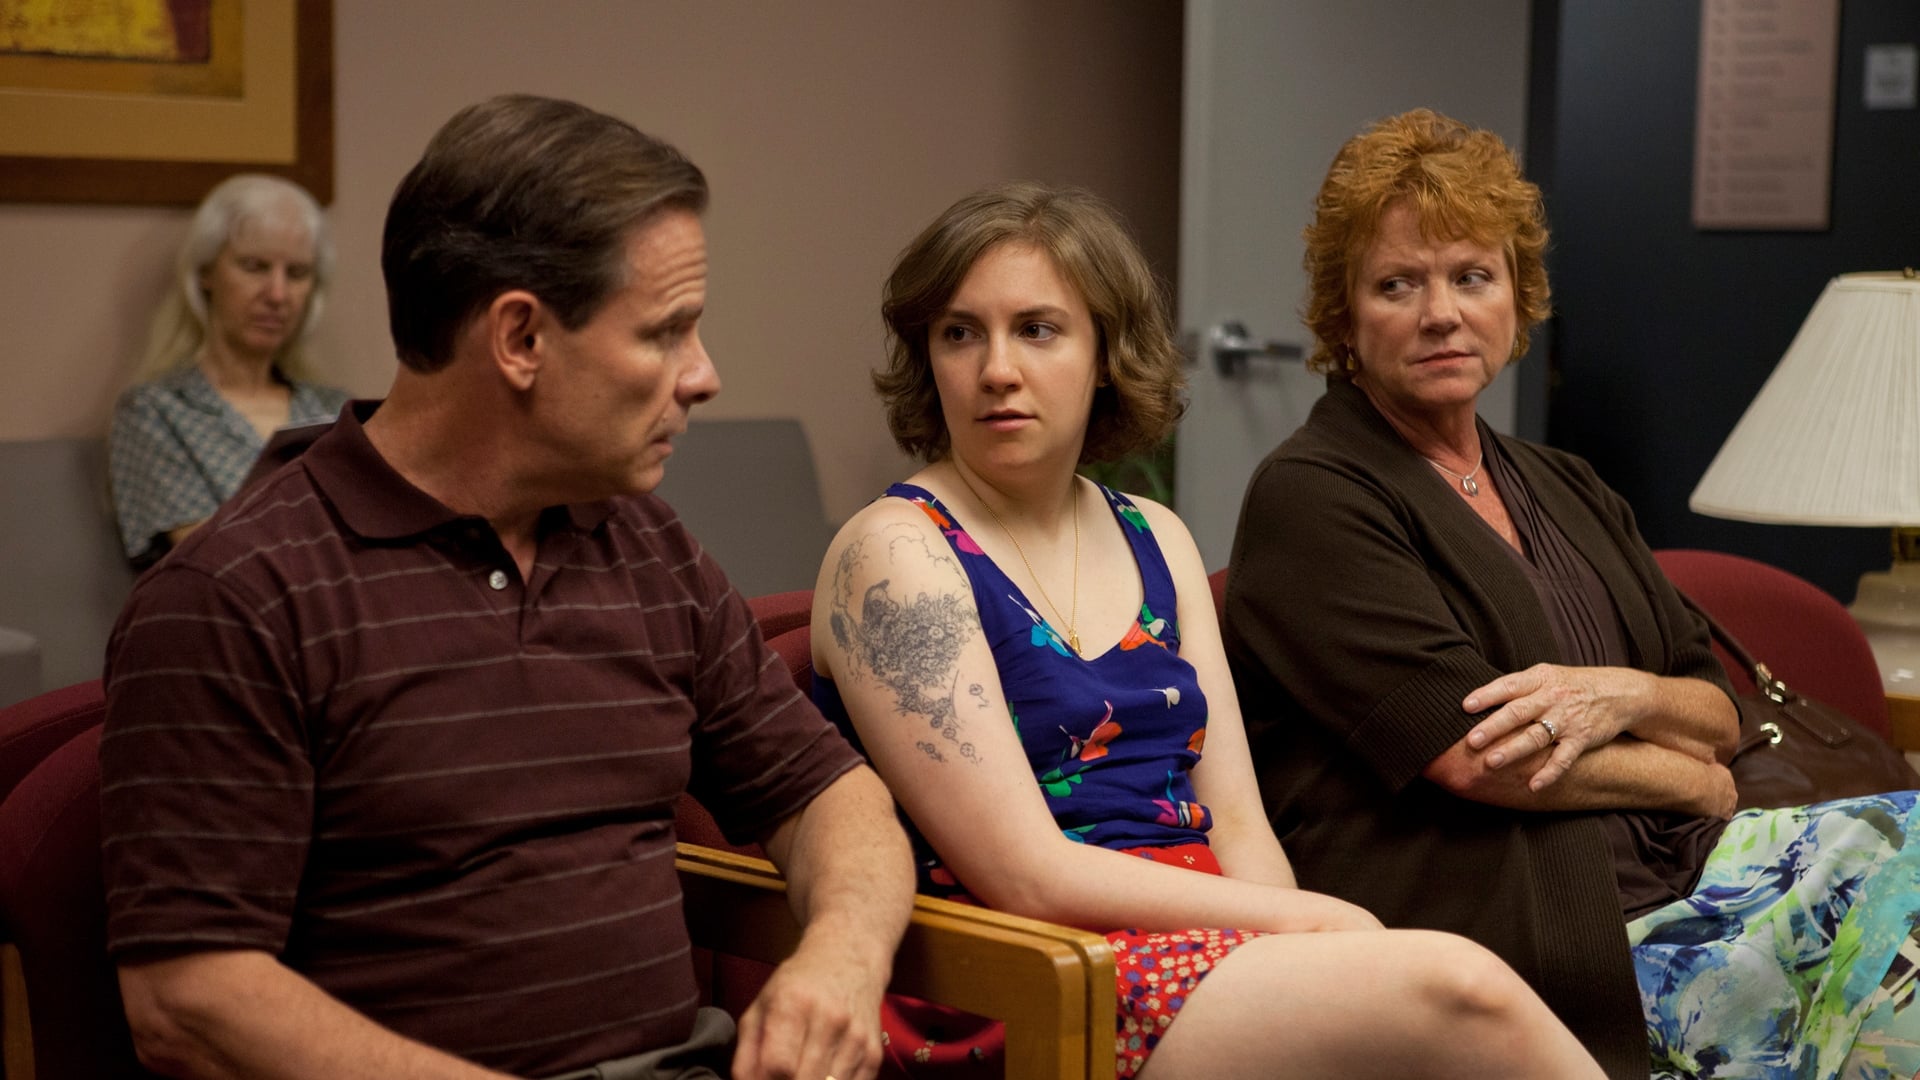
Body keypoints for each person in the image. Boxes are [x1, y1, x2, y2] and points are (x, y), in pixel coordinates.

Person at [100, 94, 915, 1080]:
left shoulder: (644, 545)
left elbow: (830, 794)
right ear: (521, 338)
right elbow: (187, 1001)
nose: (703, 375)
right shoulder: (235, 594)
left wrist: (839, 964)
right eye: (665, 332)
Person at [810, 181, 1604, 1079]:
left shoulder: (1155, 534)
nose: (996, 369)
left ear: (1104, 354)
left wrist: (1308, 947)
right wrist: (1314, 921)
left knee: (1402, 1006)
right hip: (1024, 969)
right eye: (961, 333)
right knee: (1464, 989)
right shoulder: (895, 553)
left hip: (1198, 939)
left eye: (1037, 329)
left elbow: (1238, 824)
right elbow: (1025, 876)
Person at [1223, 107, 1920, 1080]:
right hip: (1532, 930)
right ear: (1344, 318)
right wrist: (1688, 781)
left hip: (1695, 875)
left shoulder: (1565, 484)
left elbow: (1713, 708)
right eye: (1397, 284)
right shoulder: (1313, 496)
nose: (1441, 313)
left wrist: (1622, 695)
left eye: (1473, 276)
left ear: (1518, 297)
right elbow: (1482, 758)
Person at [108, 173, 350, 565]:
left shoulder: (337, 410)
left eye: (296, 273)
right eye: (254, 266)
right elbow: (210, 558)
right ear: (206, 272)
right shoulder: (156, 411)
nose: (277, 294)